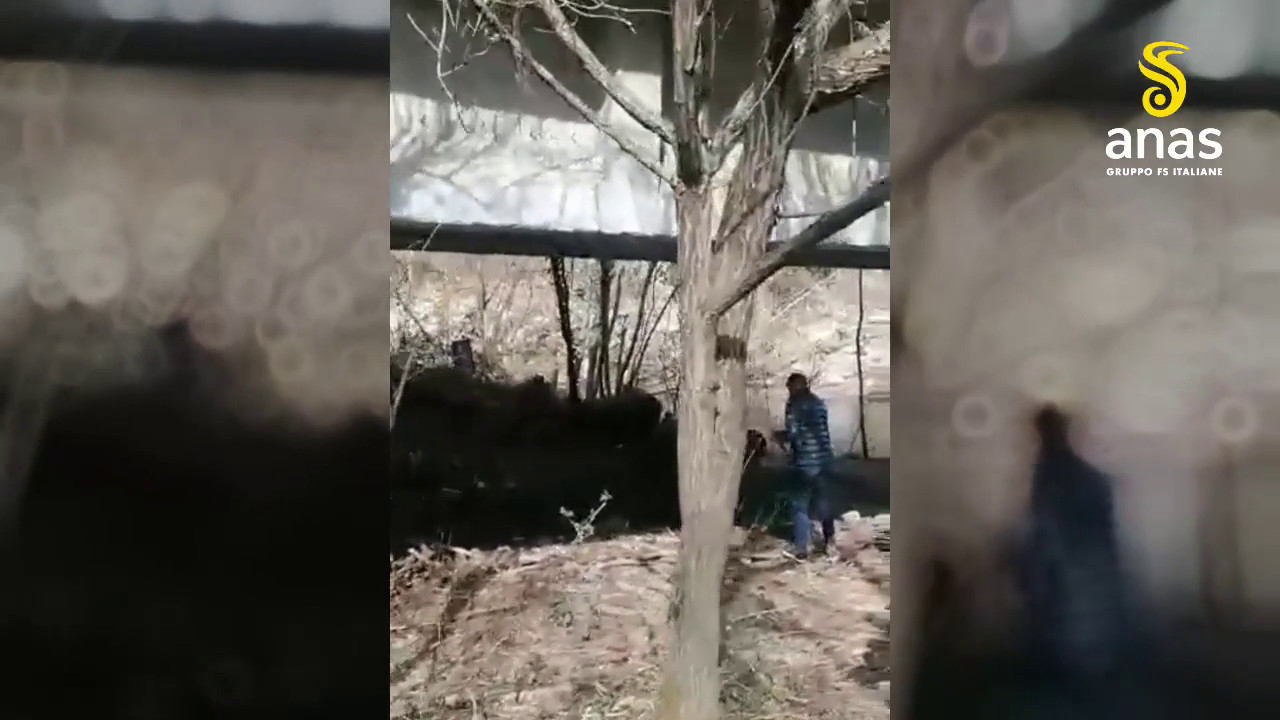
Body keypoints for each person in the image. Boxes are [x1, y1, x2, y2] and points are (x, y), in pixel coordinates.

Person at [782, 372, 836, 558]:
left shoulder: (794, 405)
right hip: (824, 461)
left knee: (800, 504)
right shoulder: (819, 403)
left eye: (789, 388)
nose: (788, 392)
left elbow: (793, 434)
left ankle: (801, 548)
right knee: (824, 501)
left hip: (804, 463)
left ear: (794, 387)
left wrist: (780, 438)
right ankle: (830, 541)